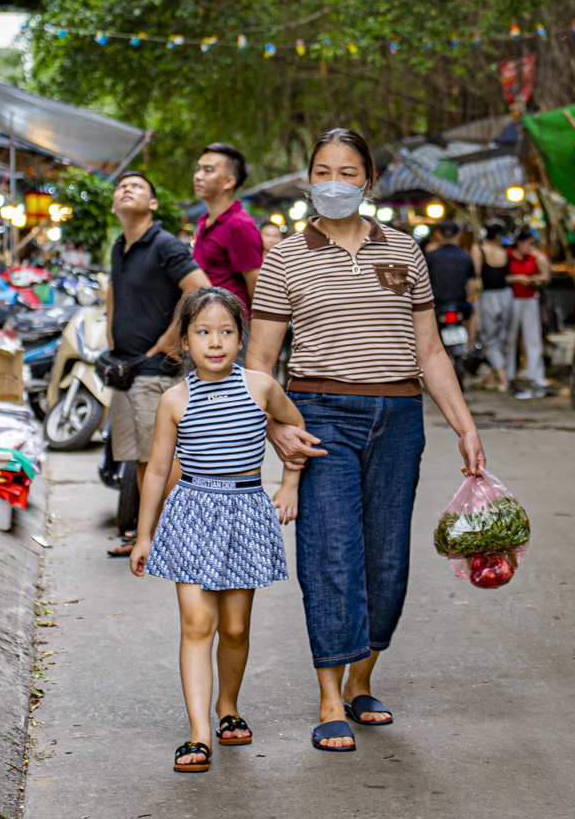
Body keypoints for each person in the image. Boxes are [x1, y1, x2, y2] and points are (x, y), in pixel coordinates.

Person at [248, 129, 487, 753]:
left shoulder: (405, 251)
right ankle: (329, 696)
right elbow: (261, 362)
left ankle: (362, 679)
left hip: (400, 419)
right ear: (308, 180)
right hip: (322, 416)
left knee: (386, 560)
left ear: (368, 181)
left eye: (347, 172)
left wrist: (464, 425)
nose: (334, 182)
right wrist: (278, 428)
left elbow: (430, 350)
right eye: (322, 170)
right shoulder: (285, 258)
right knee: (330, 555)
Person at [130, 288, 304, 773]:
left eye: (226, 332)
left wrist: (289, 483)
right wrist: (145, 535)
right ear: (184, 341)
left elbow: (296, 431)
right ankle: (199, 732)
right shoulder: (174, 399)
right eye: (203, 332)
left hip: (246, 511)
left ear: (240, 338)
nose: (215, 342)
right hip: (191, 513)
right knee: (197, 625)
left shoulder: (261, 387)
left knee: (234, 627)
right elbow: (159, 471)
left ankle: (227, 707)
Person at [107, 172, 211, 555]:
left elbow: (199, 288)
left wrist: (171, 338)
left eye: (137, 187)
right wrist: (111, 333)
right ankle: (145, 534)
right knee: (139, 457)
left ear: (152, 204)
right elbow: (114, 289)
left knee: (160, 456)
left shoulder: (165, 244)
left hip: (155, 372)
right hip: (124, 369)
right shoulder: (120, 245)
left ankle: (175, 536)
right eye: (121, 187)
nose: (126, 189)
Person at [191, 143, 267, 312]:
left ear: (229, 181)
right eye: (198, 169)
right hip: (206, 324)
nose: (198, 176)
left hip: (231, 329)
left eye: (208, 170)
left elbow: (256, 288)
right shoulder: (204, 221)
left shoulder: (238, 225)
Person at [507, 230, 552, 396]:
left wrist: (537, 278)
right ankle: (508, 375)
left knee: (533, 338)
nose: (531, 247)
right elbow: (500, 277)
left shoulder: (535, 258)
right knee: (509, 339)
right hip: (512, 300)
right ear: (520, 242)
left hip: (530, 299)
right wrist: (517, 278)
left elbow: (546, 276)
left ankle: (536, 375)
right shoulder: (508, 256)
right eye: (529, 243)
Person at [472, 222, 514, 392]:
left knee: (488, 339)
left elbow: (476, 275)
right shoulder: (504, 252)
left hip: (488, 296)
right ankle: (491, 377)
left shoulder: (478, 249)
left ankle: (503, 379)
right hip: (506, 295)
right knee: (500, 338)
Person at [425, 222, 478, 346]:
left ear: (438, 235)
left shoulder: (430, 257)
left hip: (436, 305)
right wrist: (469, 299)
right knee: (473, 314)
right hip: (460, 304)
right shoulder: (466, 257)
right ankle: (471, 346)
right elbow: (472, 287)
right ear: (459, 235)